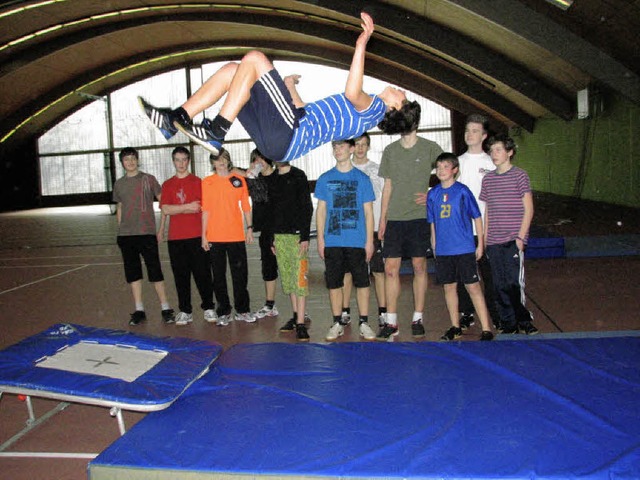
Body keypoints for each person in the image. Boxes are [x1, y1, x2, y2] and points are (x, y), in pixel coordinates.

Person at [139, 11, 414, 162]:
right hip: (281, 143)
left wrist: (361, 43)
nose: (400, 89)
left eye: (403, 95)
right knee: (232, 72)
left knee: (255, 59)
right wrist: (289, 86)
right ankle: (176, 118)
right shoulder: (359, 116)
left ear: (396, 107)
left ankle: (215, 131)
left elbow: (352, 91)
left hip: (288, 135)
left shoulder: (375, 109)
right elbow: (304, 112)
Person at [377, 103, 443, 341]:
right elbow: (388, 186)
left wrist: (432, 195)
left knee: (419, 267)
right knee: (390, 269)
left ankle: (417, 317)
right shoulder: (391, 151)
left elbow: (450, 171)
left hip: (419, 217)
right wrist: (382, 219)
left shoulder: (429, 148)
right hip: (395, 218)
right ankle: (391, 321)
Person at [426, 153, 494, 341]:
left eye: (445, 167)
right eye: (438, 167)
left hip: (464, 248)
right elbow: (432, 222)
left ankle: (486, 328)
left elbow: (477, 217)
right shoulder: (433, 194)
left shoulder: (462, 191)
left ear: (455, 170)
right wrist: (434, 245)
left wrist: (480, 243)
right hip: (444, 250)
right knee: (449, 287)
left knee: (473, 287)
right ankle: (455, 326)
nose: (441, 170)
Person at [315, 139, 377, 342]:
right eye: (335, 147)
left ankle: (364, 322)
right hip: (333, 240)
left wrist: (369, 241)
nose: (337, 150)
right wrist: (321, 240)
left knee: (362, 283)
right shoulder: (325, 179)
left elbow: (368, 213)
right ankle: (337, 322)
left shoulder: (362, 179)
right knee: (334, 283)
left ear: (351, 149)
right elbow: (321, 211)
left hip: (357, 240)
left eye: (341, 146)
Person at [480, 134, 538, 335]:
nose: (493, 154)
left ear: (509, 152)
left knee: (514, 283)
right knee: (499, 285)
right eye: (491, 150)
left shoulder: (520, 176)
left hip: (513, 239)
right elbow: (488, 210)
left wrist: (521, 238)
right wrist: (485, 239)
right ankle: (508, 323)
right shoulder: (488, 179)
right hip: (494, 241)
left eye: (498, 150)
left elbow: (528, 208)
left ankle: (524, 319)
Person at [112, 147, 175, 326]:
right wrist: (121, 230)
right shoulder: (119, 184)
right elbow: (120, 208)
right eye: (126, 159)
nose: (130, 162)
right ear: (122, 163)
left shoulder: (149, 179)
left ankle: (165, 308)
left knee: (155, 272)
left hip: (146, 234)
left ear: (137, 160)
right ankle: (139, 309)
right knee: (133, 275)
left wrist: (161, 227)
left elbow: (163, 203)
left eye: (133, 158)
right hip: (126, 236)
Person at [157, 146, 216, 326]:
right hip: (175, 238)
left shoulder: (198, 182)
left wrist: (179, 209)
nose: (181, 163)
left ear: (188, 161)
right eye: (177, 160)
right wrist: (186, 207)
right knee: (180, 276)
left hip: (197, 236)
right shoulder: (167, 184)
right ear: (173, 161)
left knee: (203, 274)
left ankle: (208, 307)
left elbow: (200, 206)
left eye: (184, 160)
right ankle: (185, 310)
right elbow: (165, 209)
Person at [455, 114, 499, 330]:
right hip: (462, 232)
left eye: (474, 131)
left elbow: (494, 199)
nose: (469, 134)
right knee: (464, 275)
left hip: (486, 230)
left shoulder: (491, 163)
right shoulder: (457, 164)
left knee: (489, 275)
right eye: (467, 130)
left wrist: (488, 232)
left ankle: (495, 312)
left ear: (484, 135)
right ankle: (466, 313)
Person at [201, 149, 255, 325]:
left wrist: (249, 228)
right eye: (217, 159)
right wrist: (204, 236)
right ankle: (223, 311)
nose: (221, 162)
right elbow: (206, 210)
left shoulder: (238, 180)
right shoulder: (207, 182)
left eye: (224, 158)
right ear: (213, 163)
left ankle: (243, 310)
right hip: (215, 237)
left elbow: (246, 205)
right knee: (218, 277)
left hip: (236, 236)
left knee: (240, 275)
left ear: (228, 160)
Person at [341, 132, 387, 328]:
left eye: (364, 144)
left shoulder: (377, 170)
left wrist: (383, 222)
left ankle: (383, 312)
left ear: (368, 146)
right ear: (352, 147)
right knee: (348, 273)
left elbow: (384, 198)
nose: (360, 148)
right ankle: (344, 311)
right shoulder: (344, 170)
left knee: (378, 272)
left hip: (374, 229)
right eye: (357, 144)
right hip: (351, 231)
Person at [270, 160, 314, 341]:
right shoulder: (273, 178)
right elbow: (272, 210)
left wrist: (304, 236)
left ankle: (302, 324)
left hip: (297, 237)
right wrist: (272, 238)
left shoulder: (298, 175)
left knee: (300, 281)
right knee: (289, 281)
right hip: (280, 237)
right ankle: (296, 317)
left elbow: (307, 206)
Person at [243, 149, 280, 319]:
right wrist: (248, 171)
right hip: (266, 230)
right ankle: (270, 304)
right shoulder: (253, 179)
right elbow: (230, 171)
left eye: (262, 159)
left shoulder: (280, 176)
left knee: (291, 269)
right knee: (268, 267)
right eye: (255, 160)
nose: (259, 162)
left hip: (283, 229)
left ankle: (301, 308)